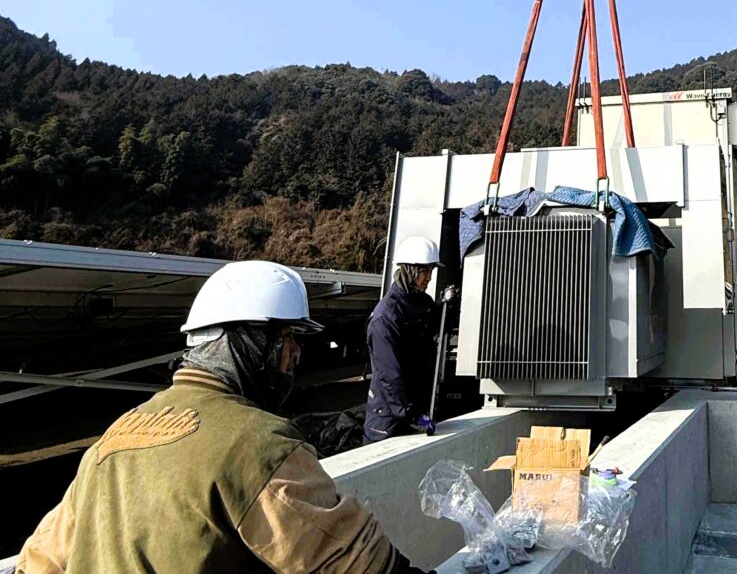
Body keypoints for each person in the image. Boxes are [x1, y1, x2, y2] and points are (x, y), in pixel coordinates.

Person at [16, 260, 432, 574]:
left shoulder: (112, 439)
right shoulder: (258, 443)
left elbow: (37, 562)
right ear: (246, 342)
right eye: (287, 336)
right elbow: (354, 562)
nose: (296, 353)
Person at [364, 237, 444, 444]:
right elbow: (391, 375)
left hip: (413, 411)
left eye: (431, 271)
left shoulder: (422, 303)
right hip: (388, 421)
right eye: (424, 271)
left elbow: (437, 322)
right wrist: (414, 416)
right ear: (408, 270)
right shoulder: (386, 316)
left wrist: (448, 307)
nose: (429, 278)